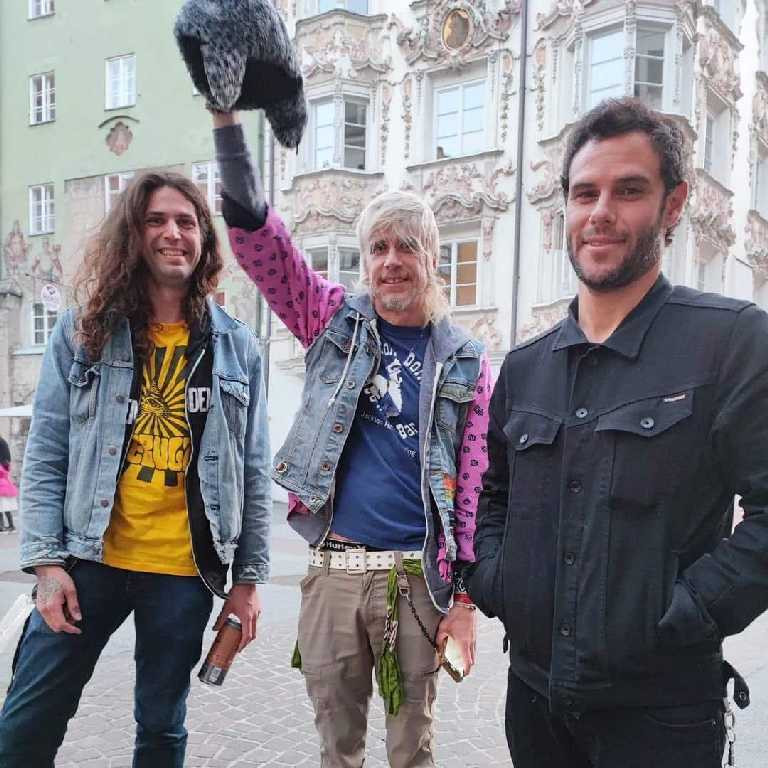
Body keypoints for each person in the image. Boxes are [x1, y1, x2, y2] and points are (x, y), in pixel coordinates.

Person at [467, 96, 768, 768]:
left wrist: (690, 611)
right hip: (534, 702)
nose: (600, 212)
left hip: (662, 714)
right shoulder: (524, 367)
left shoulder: (731, 342)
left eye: (628, 191)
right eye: (585, 193)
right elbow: (494, 496)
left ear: (673, 204)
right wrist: (496, 580)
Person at [212, 109, 492, 767]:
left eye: (406, 247)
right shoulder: (332, 320)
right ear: (366, 260)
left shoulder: (467, 361)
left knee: (412, 749)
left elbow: (475, 489)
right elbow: (261, 243)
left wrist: (466, 601)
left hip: (418, 584)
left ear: (432, 258)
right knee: (336, 749)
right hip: (335, 574)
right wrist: (226, 123)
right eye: (378, 248)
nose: (391, 262)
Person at [0, 171, 272, 767]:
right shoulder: (83, 332)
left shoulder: (238, 346)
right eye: (156, 220)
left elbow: (252, 471)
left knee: (161, 726)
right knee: (26, 723)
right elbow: (45, 452)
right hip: (86, 560)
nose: (173, 233)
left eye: (186, 221)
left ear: (203, 238)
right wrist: (46, 565)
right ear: (133, 235)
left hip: (184, 570)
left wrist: (248, 583)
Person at [0, 435, 18, 533]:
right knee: (5, 506)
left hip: (2, 487)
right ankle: (10, 525)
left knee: (3, 506)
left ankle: (2, 526)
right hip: (6, 487)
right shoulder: (6, 463)